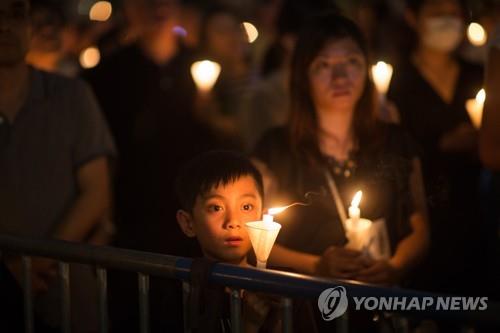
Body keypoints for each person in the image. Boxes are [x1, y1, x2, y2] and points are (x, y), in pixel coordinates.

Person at [252, 12, 429, 288]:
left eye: (352, 62)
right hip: (310, 310)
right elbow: (255, 238)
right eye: (324, 65)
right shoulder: (275, 150)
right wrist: (317, 266)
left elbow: (420, 227)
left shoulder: (396, 141)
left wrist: (395, 266)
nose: (340, 76)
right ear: (303, 76)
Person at [0, 0, 116, 331]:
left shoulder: (72, 96)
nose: (5, 26)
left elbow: (96, 192)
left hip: (63, 283)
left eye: (15, 15)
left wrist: (34, 263)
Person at [387, 0, 486, 296]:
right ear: (412, 17)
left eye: (453, 13)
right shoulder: (399, 80)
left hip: (478, 205)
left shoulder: (478, 74)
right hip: (424, 208)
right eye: (436, 13)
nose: (447, 21)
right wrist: (442, 144)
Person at [173, 150, 317, 333]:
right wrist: (249, 325)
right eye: (216, 208)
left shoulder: (287, 287)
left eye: (246, 207)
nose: (233, 221)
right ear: (188, 223)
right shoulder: (184, 292)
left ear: (262, 216)